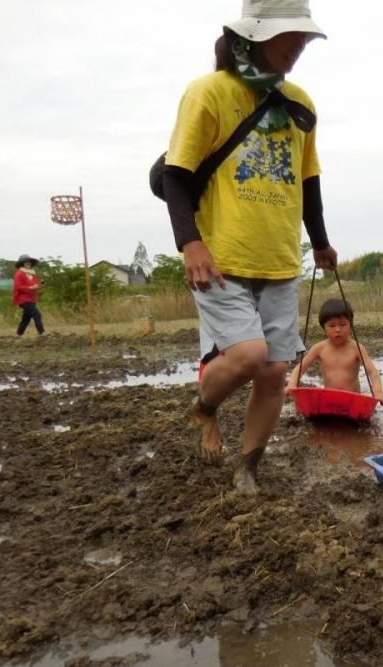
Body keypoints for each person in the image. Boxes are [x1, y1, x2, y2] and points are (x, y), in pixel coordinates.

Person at [162, 0, 338, 493]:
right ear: (255, 34)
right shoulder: (210, 93)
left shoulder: (300, 102)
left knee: (274, 371)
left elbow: (309, 181)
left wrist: (320, 243)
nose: (299, 46)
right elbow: (176, 176)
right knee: (247, 355)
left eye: (304, 38)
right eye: (291, 36)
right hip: (221, 258)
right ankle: (204, 409)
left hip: (279, 259)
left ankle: (248, 467)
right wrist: (190, 242)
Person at [287, 298, 383, 404]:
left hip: (352, 401)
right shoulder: (319, 348)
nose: (338, 329)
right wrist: (292, 384)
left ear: (350, 325)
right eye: (332, 325)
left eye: (343, 324)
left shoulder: (357, 348)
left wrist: (378, 391)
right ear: (324, 327)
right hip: (330, 400)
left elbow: (372, 371)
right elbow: (300, 368)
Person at [12, 254, 45, 337]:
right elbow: (18, 287)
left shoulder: (33, 274)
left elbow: (35, 285)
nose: (28, 264)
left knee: (26, 318)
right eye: (26, 262)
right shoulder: (19, 274)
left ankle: (19, 334)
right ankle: (42, 333)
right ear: (22, 264)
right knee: (37, 314)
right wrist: (31, 287)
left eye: (29, 262)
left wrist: (39, 285)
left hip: (32, 299)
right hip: (23, 299)